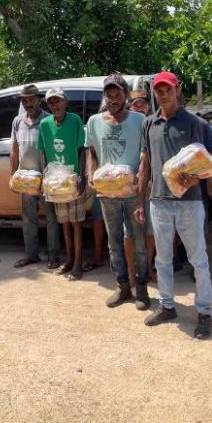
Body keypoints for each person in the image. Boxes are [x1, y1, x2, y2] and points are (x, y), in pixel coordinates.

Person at [135, 71, 212, 339]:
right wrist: (140, 199)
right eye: (159, 89)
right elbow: (145, 163)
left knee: (197, 259)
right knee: (163, 259)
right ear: (154, 92)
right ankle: (167, 306)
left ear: (177, 89)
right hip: (159, 202)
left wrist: (193, 178)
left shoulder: (195, 123)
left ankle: (204, 312)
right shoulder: (148, 123)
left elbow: (211, 159)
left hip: (189, 202)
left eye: (168, 88)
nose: (163, 93)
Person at [86, 74, 150, 310]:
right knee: (113, 242)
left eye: (117, 94)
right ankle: (122, 286)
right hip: (107, 193)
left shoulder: (140, 120)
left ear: (125, 95)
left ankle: (141, 287)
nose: (113, 99)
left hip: (133, 192)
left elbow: (145, 156)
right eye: (109, 95)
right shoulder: (94, 121)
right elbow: (91, 152)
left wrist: (140, 183)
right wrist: (90, 174)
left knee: (138, 241)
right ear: (105, 96)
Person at [38, 88, 87, 281]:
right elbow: (42, 152)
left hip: (72, 179)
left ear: (65, 102)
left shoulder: (74, 120)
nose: (55, 105)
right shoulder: (44, 124)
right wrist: (45, 178)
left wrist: (82, 175)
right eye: (51, 102)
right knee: (64, 222)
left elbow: (81, 149)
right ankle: (69, 260)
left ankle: (78, 264)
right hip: (56, 183)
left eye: (58, 101)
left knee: (76, 223)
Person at [10, 84, 60, 269]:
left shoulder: (49, 120)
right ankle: (31, 255)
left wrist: (49, 176)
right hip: (26, 179)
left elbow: (53, 150)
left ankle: (53, 255)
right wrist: (13, 175)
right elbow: (14, 150)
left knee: (51, 217)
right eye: (24, 100)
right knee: (28, 217)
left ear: (39, 100)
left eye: (31, 99)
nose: (28, 103)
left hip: (46, 177)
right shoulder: (17, 121)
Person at [125, 90, 156, 282]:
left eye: (143, 104)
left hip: (152, 185)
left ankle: (147, 269)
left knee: (150, 232)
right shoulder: (126, 124)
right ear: (129, 106)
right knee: (130, 232)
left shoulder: (153, 124)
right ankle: (130, 272)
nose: (140, 107)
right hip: (129, 186)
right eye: (135, 104)